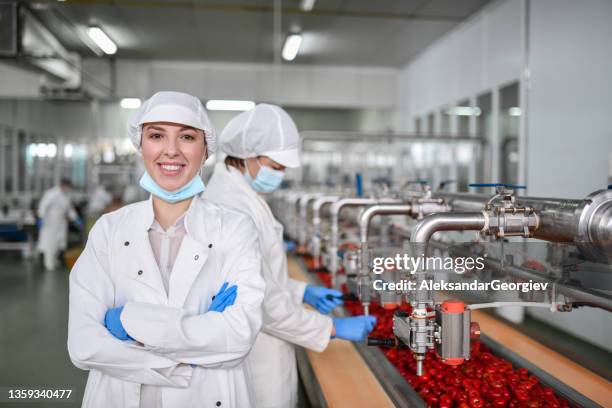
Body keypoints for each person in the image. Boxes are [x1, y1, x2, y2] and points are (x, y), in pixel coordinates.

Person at [67, 91, 265, 408]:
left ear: (206, 150)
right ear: (141, 145)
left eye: (186, 137)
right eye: (157, 135)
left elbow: (238, 336)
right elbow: (84, 345)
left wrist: (129, 323)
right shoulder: (109, 230)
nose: (171, 151)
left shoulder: (235, 229)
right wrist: (194, 343)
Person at [205, 103, 377, 408]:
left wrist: (302, 291)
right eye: (275, 166)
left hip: (265, 344)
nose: (280, 175)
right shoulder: (230, 205)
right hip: (254, 355)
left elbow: (261, 277)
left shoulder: (242, 194)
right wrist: (332, 328)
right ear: (248, 156)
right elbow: (262, 302)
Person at [37, 178, 80, 271]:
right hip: (51, 222)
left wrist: (75, 218)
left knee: (59, 242)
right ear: (63, 185)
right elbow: (43, 205)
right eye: (68, 187)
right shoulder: (52, 193)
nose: (69, 189)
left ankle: (54, 259)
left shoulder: (66, 195)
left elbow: (69, 209)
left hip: (61, 222)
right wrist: (41, 217)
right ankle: (48, 263)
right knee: (50, 242)